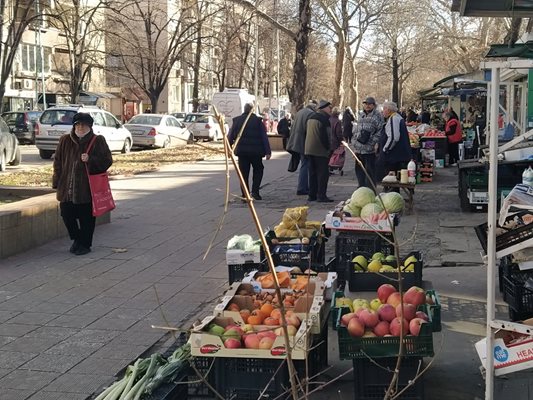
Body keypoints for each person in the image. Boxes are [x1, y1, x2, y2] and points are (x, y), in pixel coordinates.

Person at [52, 112, 113, 256]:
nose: (80, 127)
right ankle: (77, 239)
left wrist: (90, 159)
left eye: (83, 125)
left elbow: (107, 161)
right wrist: (57, 181)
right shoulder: (65, 140)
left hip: (87, 189)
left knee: (86, 218)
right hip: (67, 188)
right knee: (67, 214)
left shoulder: (98, 140)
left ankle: (85, 244)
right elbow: (58, 162)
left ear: (89, 127)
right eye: (77, 124)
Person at [228, 103, 272, 201]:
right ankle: (255, 192)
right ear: (252, 110)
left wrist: (229, 148)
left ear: (244, 110)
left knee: (243, 173)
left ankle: (245, 194)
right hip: (256, 152)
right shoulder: (258, 121)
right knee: (258, 170)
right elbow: (263, 137)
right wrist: (268, 151)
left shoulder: (237, 121)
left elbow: (230, 136)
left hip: (242, 152)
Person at [286, 99, 318, 195]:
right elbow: (309, 130)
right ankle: (302, 187)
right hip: (303, 143)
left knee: (304, 164)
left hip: (295, 141)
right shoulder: (310, 114)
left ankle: (303, 186)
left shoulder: (300, 112)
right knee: (306, 164)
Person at [305, 100, 333, 202]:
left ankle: (311, 195)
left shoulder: (311, 117)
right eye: (329, 108)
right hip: (320, 150)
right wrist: (329, 148)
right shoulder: (324, 119)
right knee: (323, 174)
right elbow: (326, 136)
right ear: (324, 108)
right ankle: (321, 195)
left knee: (312, 173)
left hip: (309, 149)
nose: (331, 110)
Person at [352, 96, 383, 189]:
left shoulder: (378, 116)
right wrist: (354, 142)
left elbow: (380, 131)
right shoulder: (360, 115)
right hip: (358, 149)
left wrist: (372, 142)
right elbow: (355, 129)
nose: (367, 106)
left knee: (370, 173)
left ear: (374, 105)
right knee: (359, 172)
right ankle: (361, 189)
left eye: (370, 104)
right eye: (366, 104)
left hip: (369, 150)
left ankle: (371, 191)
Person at [377, 101, 412, 183]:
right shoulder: (398, 118)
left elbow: (394, 137)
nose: (383, 111)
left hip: (394, 157)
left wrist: (385, 149)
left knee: (391, 180)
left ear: (389, 110)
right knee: (395, 181)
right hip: (399, 156)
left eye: (384, 109)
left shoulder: (393, 119)